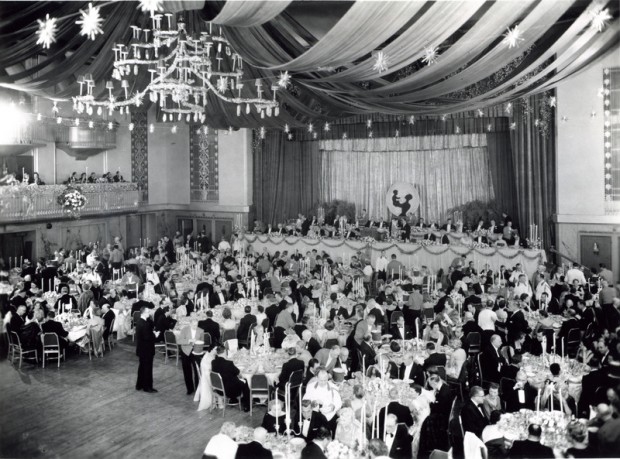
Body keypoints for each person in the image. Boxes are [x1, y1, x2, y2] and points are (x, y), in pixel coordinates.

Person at [211, 345, 251, 411]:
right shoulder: (228, 363)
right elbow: (238, 373)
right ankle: (247, 405)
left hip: (219, 389)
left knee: (231, 379)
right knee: (245, 381)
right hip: (230, 391)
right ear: (225, 352)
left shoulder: (213, 362)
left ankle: (234, 399)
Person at [178, 317, 205, 395]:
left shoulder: (201, 331)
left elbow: (202, 342)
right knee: (187, 371)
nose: (195, 326)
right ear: (190, 324)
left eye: (196, 325)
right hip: (185, 351)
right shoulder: (184, 330)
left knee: (197, 370)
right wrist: (189, 341)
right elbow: (179, 341)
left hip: (196, 352)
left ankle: (197, 389)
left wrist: (198, 343)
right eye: (193, 325)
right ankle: (189, 389)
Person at [135, 306, 159, 393]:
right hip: (147, 350)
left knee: (142, 367)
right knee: (147, 369)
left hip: (141, 349)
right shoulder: (144, 324)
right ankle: (147, 387)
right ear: (144, 313)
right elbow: (147, 337)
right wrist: (155, 335)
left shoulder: (140, 321)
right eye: (148, 312)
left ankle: (139, 385)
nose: (149, 313)